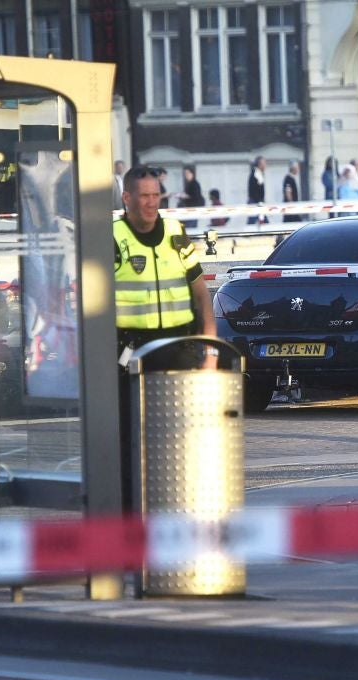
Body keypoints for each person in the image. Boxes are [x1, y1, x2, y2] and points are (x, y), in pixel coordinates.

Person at [115, 166, 217, 506]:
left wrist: (211, 351)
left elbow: (202, 294)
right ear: (126, 198)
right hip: (131, 354)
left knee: (182, 440)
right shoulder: (112, 237)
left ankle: (180, 510)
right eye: (144, 196)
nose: (151, 203)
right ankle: (133, 517)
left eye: (156, 195)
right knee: (131, 443)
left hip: (179, 350)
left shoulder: (175, 233)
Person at [177, 164, 204, 230]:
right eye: (185, 173)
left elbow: (195, 196)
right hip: (188, 208)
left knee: (191, 227)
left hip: (193, 208)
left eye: (187, 173)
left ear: (192, 174)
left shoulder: (194, 183)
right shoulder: (188, 184)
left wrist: (184, 196)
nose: (186, 175)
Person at [247, 155, 267, 224]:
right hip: (255, 202)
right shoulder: (257, 174)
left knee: (261, 218)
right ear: (260, 164)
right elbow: (256, 190)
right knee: (253, 220)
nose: (265, 165)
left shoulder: (258, 173)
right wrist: (260, 202)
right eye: (264, 163)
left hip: (257, 201)